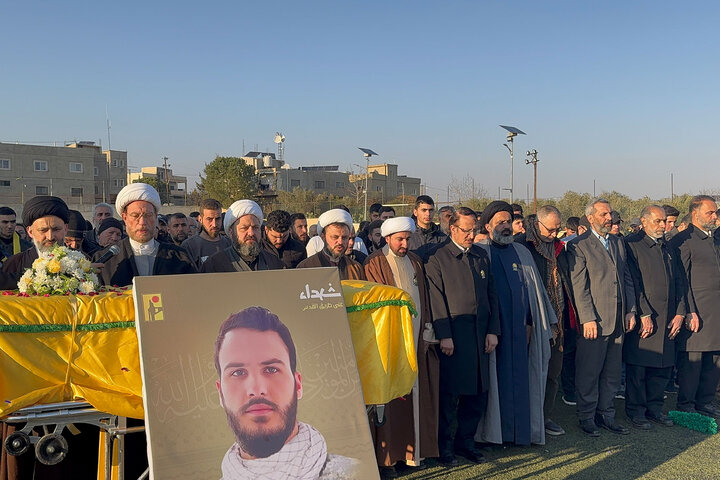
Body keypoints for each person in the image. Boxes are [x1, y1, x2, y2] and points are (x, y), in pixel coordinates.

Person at [215, 306, 359, 479]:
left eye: (270, 369)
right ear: (220, 393)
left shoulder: (355, 473)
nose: (256, 389)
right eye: (237, 372)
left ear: (298, 385)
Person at [475, 202, 558, 446]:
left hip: (522, 333)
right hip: (492, 335)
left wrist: (535, 323)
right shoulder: (480, 252)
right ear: (488, 225)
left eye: (508, 221)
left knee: (524, 382)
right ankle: (492, 435)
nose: (505, 226)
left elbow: (537, 295)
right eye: (499, 222)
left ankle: (521, 434)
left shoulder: (522, 253)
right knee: (494, 383)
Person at [363, 217, 439, 475]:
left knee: (417, 394)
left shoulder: (416, 261)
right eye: (399, 239)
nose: (404, 243)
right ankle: (390, 459)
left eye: (407, 239)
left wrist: (427, 330)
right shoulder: (373, 263)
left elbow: (425, 299)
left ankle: (415, 453)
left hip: (417, 339)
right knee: (392, 398)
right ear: (387, 239)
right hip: (389, 343)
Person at [424, 207, 499, 466]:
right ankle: (444, 447)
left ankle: (466, 443)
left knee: (477, 395)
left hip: (480, 337)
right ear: (452, 229)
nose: (471, 235)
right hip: (454, 339)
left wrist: (493, 330)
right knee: (449, 397)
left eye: (474, 229)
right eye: (466, 230)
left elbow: (492, 296)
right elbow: (436, 299)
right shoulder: (438, 258)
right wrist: (444, 335)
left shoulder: (480, 256)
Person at [567, 198, 636, 436]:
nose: (609, 218)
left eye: (610, 214)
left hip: (618, 319)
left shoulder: (617, 242)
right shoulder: (578, 245)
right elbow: (579, 286)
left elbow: (626, 277)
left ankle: (606, 414)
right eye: (604, 214)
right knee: (589, 371)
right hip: (594, 322)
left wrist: (631, 310)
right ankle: (586, 416)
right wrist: (587, 318)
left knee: (612, 372)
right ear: (591, 217)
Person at [515, 205, 574, 437]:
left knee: (552, 373)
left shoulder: (560, 247)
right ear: (537, 224)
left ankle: (545, 416)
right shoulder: (521, 246)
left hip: (557, 321)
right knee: (529, 373)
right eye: (550, 229)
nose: (554, 234)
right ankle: (524, 419)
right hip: (531, 322)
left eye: (558, 229)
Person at [624, 205, 685, 428]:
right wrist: (644, 313)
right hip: (645, 317)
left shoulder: (667, 245)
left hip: (668, 316)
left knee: (662, 368)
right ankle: (636, 411)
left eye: (664, 221)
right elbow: (633, 283)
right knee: (639, 369)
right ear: (644, 221)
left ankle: (655, 408)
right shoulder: (631, 244)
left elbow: (679, 281)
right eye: (658, 221)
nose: (663, 226)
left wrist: (680, 312)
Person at [670, 195, 720, 418]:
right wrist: (689, 310)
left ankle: (706, 401)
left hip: (716, 309)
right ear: (695, 213)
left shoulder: (715, 239)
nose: (714, 216)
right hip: (696, 310)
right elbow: (681, 279)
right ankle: (687, 403)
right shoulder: (684, 240)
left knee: (714, 358)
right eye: (710, 212)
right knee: (694, 359)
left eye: (715, 212)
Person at [94, 183, 196, 287]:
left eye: (148, 215)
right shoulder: (104, 260)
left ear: (156, 217)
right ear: (125, 218)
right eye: (135, 216)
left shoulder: (179, 256)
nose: (142, 222)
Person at [201, 200, 284, 273]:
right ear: (231, 232)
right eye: (244, 228)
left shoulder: (274, 263)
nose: (251, 233)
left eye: (255, 228)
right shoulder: (214, 264)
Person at [3, 196, 71, 281]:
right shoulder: (14, 264)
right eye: (43, 230)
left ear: (65, 229)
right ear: (30, 232)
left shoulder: (81, 262)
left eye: (56, 229)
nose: (50, 237)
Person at [297, 209, 365, 280]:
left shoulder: (356, 269)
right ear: (323, 237)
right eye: (335, 237)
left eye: (344, 237)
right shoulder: (306, 267)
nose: (340, 242)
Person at [181, 198, 231, 268]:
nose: (214, 224)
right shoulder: (189, 246)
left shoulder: (229, 244)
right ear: (200, 219)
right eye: (209, 219)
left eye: (218, 219)